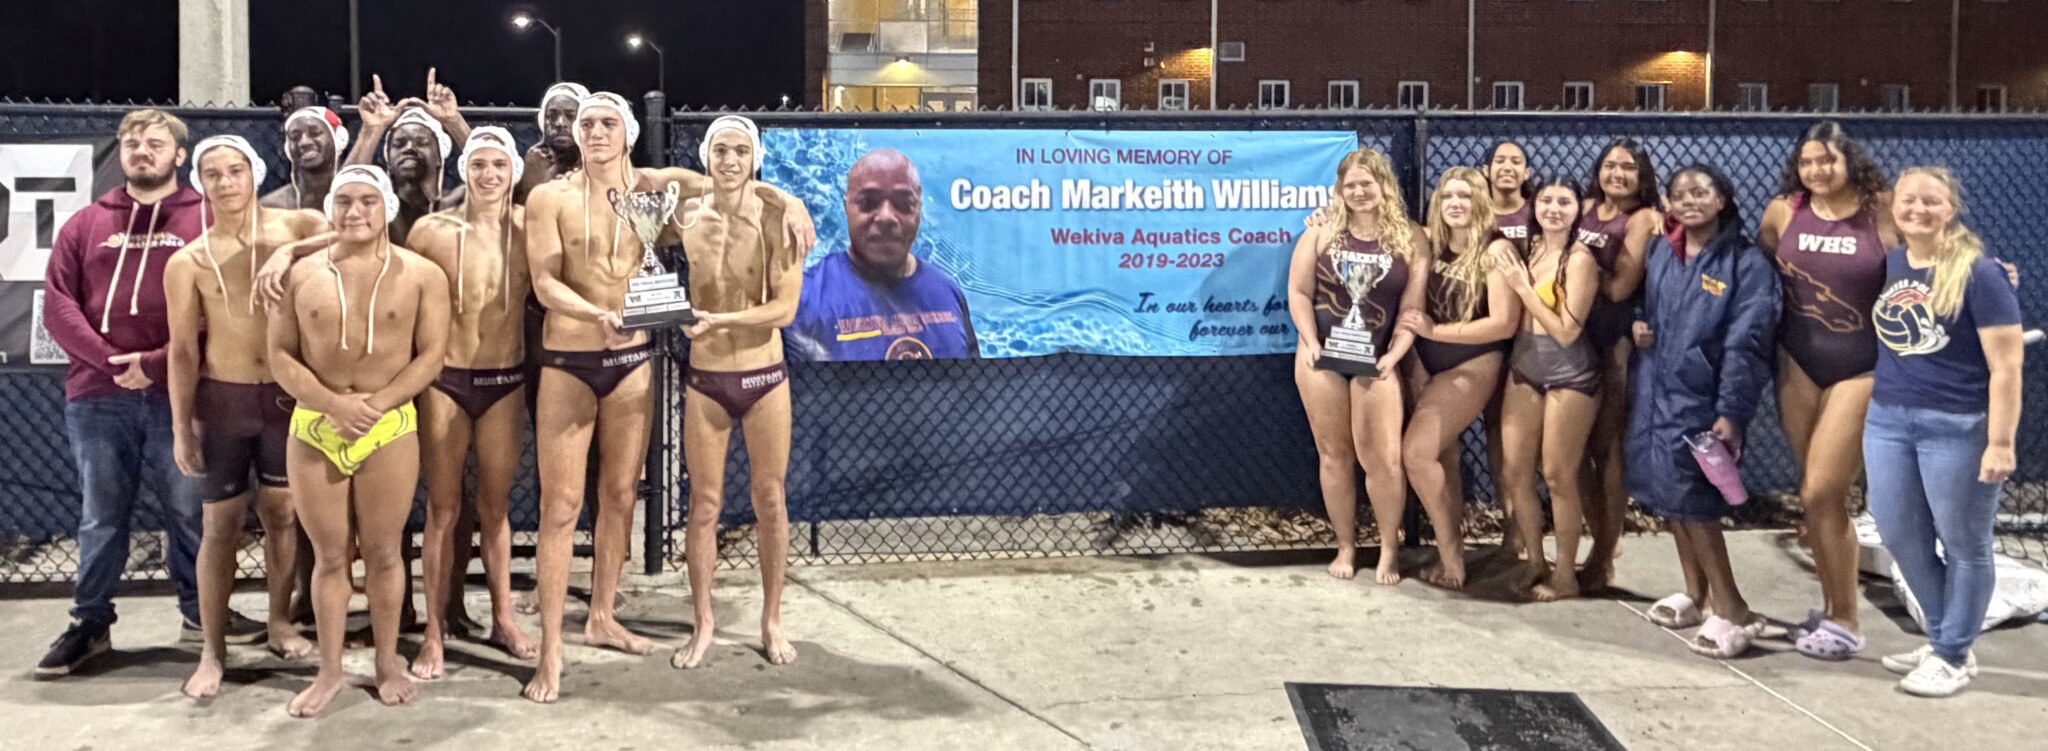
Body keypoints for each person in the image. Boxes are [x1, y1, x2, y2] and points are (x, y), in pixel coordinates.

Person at [520, 92, 813, 703]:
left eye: (607, 122)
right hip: (573, 357)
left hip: (634, 362)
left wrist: (790, 198)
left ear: (627, 132)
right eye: (587, 123)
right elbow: (545, 282)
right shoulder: (550, 197)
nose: (596, 131)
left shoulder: (659, 189)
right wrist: (597, 311)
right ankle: (550, 651)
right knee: (561, 505)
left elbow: (737, 179)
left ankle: (603, 616)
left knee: (621, 495)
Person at [36, 109, 264, 678]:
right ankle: (90, 623)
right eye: (132, 142)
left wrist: (158, 364)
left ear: (179, 156)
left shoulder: (208, 219)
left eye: (156, 143)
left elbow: (226, 314)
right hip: (97, 394)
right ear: (120, 151)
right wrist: (112, 363)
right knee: (101, 516)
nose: (142, 150)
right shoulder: (86, 223)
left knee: (191, 511)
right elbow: (58, 303)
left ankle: (199, 614)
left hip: (179, 395)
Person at [269, 165, 450, 717]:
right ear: (330, 209)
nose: (355, 212)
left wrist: (377, 405)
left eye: (368, 201)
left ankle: (386, 662)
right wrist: (334, 405)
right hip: (316, 426)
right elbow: (279, 355)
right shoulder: (298, 276)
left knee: (384, 553)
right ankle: (328, 672)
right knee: (328, 558)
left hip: (388, 425)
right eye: (344, 201)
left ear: (387, 207)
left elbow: (431, 356)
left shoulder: (423, 275)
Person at [166, 136, 328, 698]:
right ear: (200, 184)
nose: (226, 182)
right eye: (213, 174)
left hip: (286, 399)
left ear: (254, 173)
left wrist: (286, 254)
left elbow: (356, 231)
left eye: (235, 170)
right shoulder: (187, 261)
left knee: (284, 518)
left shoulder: (298, 225)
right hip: (226, 400)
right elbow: (183, 351)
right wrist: (181, 425)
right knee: (220, 528)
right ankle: (213, 650)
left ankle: (279, 621)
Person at [1865, 166, 2025, 698]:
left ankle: (1953, 652)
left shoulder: (1981, 273)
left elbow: (2006, 366)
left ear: (1950, 209)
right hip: (1888, 419)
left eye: (1931, 201)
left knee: (1965, 544)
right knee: (1899, 534)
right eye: (1908, 200)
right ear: (1894, 207)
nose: (1918, 209)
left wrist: (2000, 442)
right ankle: (1944, 637)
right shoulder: (1892, 262)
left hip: (1958, 426)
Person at [671, 116, 810, 669]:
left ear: (755, 158)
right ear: (707, 157)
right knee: (703, 507)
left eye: (741, 151)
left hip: (763, 377)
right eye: (721, 151)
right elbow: (639, 181)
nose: (730, 161)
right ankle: (703, 622)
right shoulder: (684, 213)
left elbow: (785, 309)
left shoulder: (780, 220)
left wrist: (717, 322)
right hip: (706, 380)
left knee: (770, 500)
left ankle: (771, 619)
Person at [1752, 121, 1895, 659]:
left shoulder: (1881, 209)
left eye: (1827, 161)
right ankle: (1833, 608)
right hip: (1797, 363)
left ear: (1849, 162)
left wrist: (1992, 273)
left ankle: (1848, 620)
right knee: (1816, 500)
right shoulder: (1783, 212)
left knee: (1821, 492)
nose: (1817, 171)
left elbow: (1937, 256)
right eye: (1808, 162)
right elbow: (1754, 269)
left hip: (1862, 365)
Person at [1626, 164, 1781, 658]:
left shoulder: (1746, 263)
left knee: (1696, 501)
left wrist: (1731, 410)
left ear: (1722, 201)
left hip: (1704, 399)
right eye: (1679, 194)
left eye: (1700, 192)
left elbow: (1748, 341)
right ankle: (1695, 593)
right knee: (1670, 496)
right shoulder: (1661, 253)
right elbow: (1647, 310)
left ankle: (1732, 607)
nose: (1689, 200)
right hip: (1658, 391)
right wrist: (1639, 327)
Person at [404, 126, 538, 679]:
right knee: (442, 509)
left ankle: (503, 617)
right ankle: (434, 632)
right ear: (465, 171)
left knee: (496, 507)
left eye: (498, 166)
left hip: (504, 380)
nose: (488, 175)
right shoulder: (431, 232)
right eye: (478, 165)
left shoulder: (533, 229)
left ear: (513, 173)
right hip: (446, 380)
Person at [1286, 148, 1428, 585]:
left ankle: (1388, 549)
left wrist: (1392, 357)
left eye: (1368, 183)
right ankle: (1345, 544)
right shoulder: (1320, 233)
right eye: (1351, 186)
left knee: (1383, 460)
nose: (1360, 192)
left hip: (1377, 361)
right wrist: (1310, 342)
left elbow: (1412, 308)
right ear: (1340, 191)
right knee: (1334, 456)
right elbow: (1297, 292)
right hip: (1321, 359)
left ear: (1385, 186)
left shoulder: (1411, 237)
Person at [1394, 167, 1521, 589]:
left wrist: (1436, 332)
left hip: (1474, 363)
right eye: (1448, 195)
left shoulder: (1494, 251)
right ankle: (1452, 547)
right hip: (1426, 365)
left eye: (1465, 196)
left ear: (1480, 202)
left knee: (1416, 453)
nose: (1456, 203)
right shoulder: (1426, 240)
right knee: (1441, 460)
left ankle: (1453, 559)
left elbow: (1503, 324)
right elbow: (1380, 216)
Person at [1489, 176, 1600, 601]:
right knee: (1514, 473)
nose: (1554, 209)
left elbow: (1567, 331)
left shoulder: (1579, 259)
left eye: (1564, 202)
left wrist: (1522, 288)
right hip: (1525, 368)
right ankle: (1535, 561)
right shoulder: (1530, 250)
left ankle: (1566, 574)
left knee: (1557, 476)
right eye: (1547, 201)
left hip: (1570, 375)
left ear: (1578, 210)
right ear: (1534, 207)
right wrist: (1498, 248)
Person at [784, 149, 978, 361]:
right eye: (868, 202)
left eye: (903, 204)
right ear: (846, 207)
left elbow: (976, 385)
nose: (886, 217)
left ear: (919, 209)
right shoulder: (804, 299)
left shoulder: (947, 293)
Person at [1576, 137, 1662, 591]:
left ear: (1641, 175)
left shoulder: (1644, 218)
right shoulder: (1589, 206)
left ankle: (1604, 555)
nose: (1617, 174)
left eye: (1627, 168)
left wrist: (1577, 266)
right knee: (1576, 453)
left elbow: (1620, 288)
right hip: (1575, 336)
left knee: (1607, 449)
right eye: (1610, 165)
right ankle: (1603, 541)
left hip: (1614, 341)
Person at [348, 71, 471, 241]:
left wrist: (453, 121)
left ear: (439, 155)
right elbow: (347, 187)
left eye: (421, 142)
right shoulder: (378, 208)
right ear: (388, 158)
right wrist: (371, 130)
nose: (410, 148)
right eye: (399, 144)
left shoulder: (457, 203)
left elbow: (500, 182)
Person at [261, 106, 350, 211]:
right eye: (295, 138)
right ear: (288, 149)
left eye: (315, 133)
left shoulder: (359, 200)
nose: (304, 142)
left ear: (339, 139)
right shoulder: (272, 206)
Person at [518, 82, 588, 204]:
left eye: (570, 116)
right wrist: (528, 182)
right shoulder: (532, 162)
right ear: (542, 121)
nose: (560, 123)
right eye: (552, 116)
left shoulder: (598, 164)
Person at [1485, 140, 1533, 242]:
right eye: (1500, 161)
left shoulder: (1538, 212)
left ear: (1526, 173)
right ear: (1486, 171)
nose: (1507, 168)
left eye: (1516, 162)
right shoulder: (1477, 214)